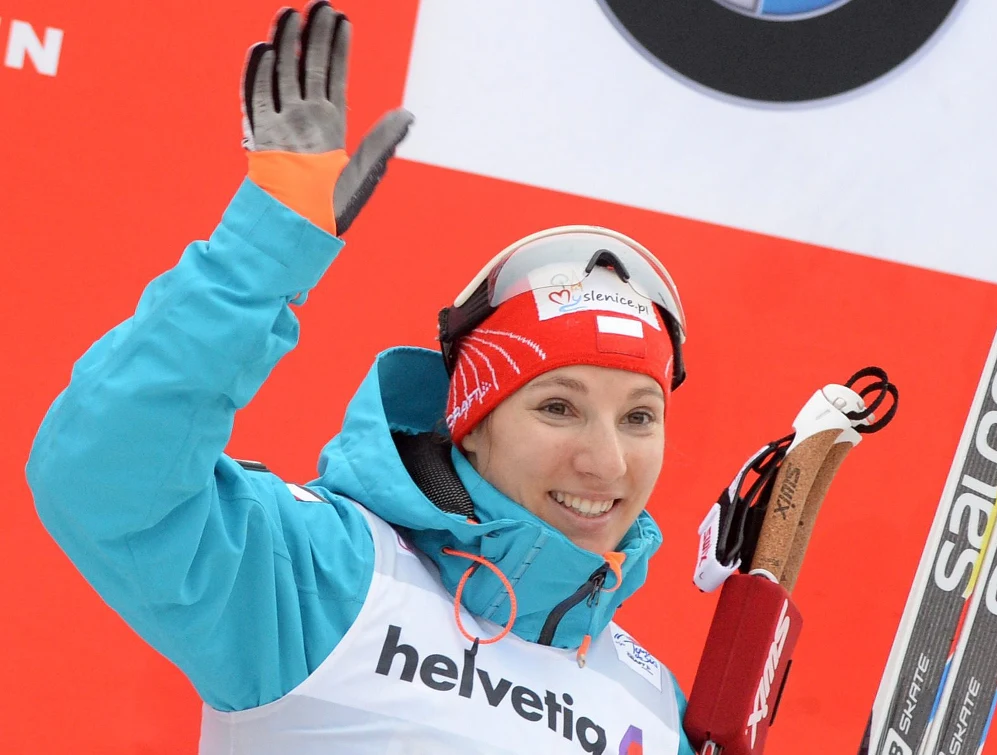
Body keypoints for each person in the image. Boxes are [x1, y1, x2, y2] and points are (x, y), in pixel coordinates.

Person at [27, 3, 695, 753]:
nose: (606, 462)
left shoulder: (651, 699)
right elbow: (101, 482)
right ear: (470, 422)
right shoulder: (322, 575)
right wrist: (263, 251)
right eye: (558, 407)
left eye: (639, 416)